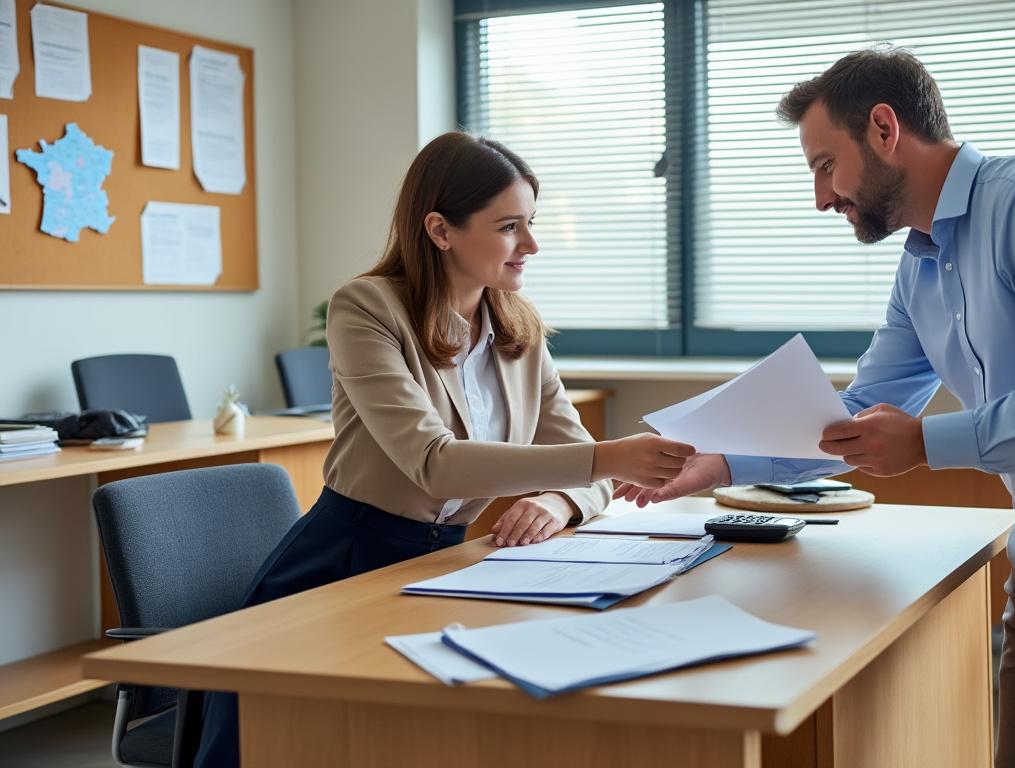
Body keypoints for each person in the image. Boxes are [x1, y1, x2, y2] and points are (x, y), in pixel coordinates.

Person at [617, 48, 1015, 767]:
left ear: (884, 129)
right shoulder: (922, 263)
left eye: (825, 166)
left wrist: (925, 444)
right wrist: (720, 460)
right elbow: (854, 415)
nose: (821, 198)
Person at [194, 132, 695, 767]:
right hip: (344, 560)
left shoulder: (518, 327)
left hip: (445, 564)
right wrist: (605, 460)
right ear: (440, 229)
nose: (531, 246)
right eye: (510, 226)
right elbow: (432, 461)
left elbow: (580, 456)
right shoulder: (367, 308)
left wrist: (560, 499)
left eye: (531, 224)